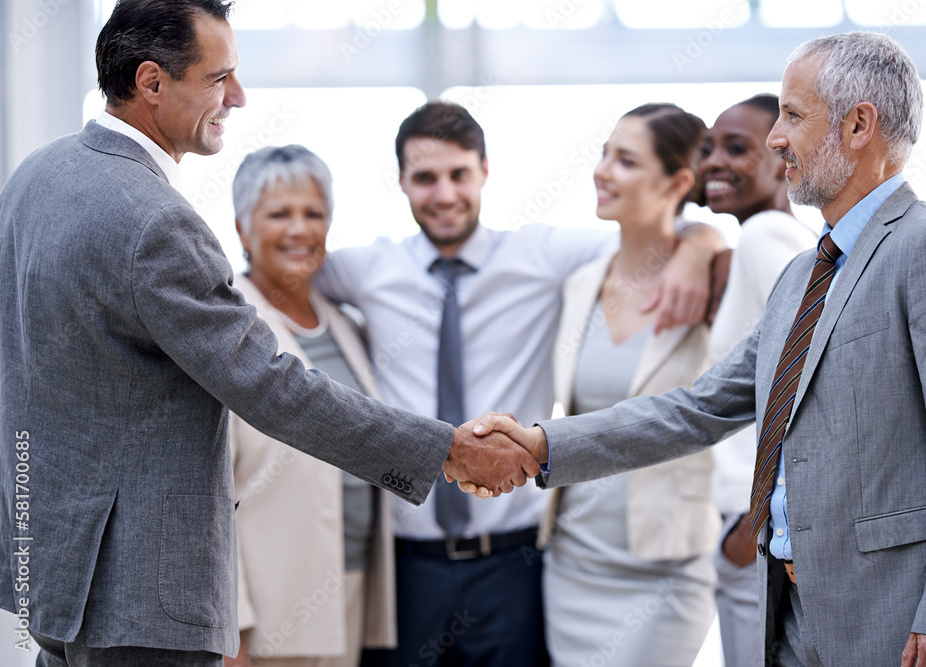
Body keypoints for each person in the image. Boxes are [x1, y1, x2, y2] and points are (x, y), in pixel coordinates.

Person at [0, 3, 535, 665]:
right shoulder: (156, 220)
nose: (239, 97)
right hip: (143, 600)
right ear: (151, 82)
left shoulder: (34, 178)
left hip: (57, 577)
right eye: (219, 77)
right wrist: (444, 449)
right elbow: (272, 384)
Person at [472, 32, 926, 666]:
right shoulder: (801, 276)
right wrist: (543, 444)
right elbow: (696, 409)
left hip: (897, 622)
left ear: (860, 125)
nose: (777, 138)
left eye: (793, 115)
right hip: (789, 620)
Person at [313, 101, 724, 667]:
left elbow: (650, 229)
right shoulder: (365, 270)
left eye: (459, 174)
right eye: (425, 178)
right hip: (406, 565)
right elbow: (277, 269)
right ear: (402, 181)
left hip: (517, 564)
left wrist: (698, 246)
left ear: (484, 170)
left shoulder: (544, 257)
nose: (444, 194)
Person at [540, 103, 718, 667]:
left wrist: (701, 245)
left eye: (626, 160)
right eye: (604, 154)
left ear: (679, 182)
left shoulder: (714, 282)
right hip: (572, 561)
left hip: (667, 570)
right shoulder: (580, 283)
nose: (602, 171)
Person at [225, 146, 398, 667]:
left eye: (314, 213)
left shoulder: (346, 323)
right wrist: (231, 626)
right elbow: (200, 491)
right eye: (279, 214)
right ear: (241, 229)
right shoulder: (224, 327)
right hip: (270, 609)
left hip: (350, 585)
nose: (300, 229)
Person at [698, 94, 818, 666]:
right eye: (707, 149)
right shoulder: (776, 240)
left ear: (779, 157)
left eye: (736, 148)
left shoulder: (763, 236)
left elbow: (813, 372)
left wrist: (754, 525)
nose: (714, 161)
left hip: (755, 531)